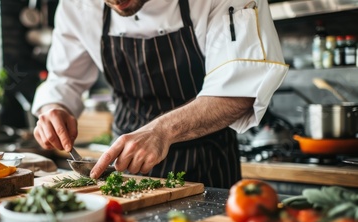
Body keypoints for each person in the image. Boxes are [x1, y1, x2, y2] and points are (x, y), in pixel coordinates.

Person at [31, 0, 288, 188]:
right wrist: (55, 107)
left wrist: (162, 131)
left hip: (208, 164)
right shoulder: (77, 6)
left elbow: (240, 90)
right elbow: (65, 78)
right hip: (123, 168)